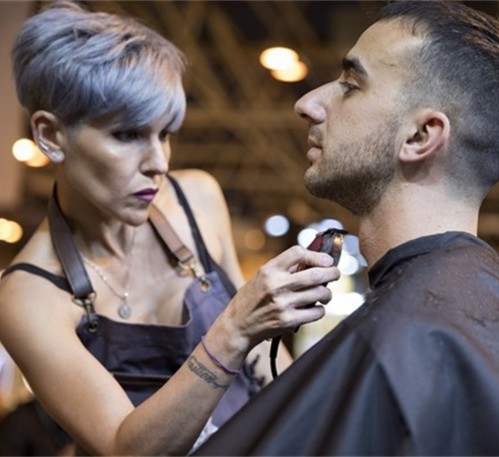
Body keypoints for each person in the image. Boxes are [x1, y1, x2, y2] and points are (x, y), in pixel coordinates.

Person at [0, 2, 339, 455]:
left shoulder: (195, 199)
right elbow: (124, 448)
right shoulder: (29, 295)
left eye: (164, 134)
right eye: (127, 135)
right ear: (50, 136)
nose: (159, 163)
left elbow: (260, 363)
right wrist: (234, 328)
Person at [194, 1, 499, 455]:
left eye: (351, 86)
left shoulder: (394, 341)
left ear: (420, 136)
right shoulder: (467, 317)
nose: (306, 104)